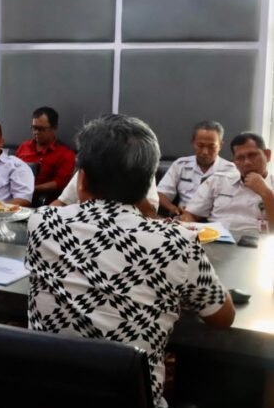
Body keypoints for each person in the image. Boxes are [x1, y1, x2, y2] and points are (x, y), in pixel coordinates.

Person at [25, 114, 234, 408]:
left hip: (48, 397)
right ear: (148, 185)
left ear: (81, 180)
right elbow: (222, 317)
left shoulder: (41, 222)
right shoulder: (178, 242)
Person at [182, 132, 274, 232]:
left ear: (267, 155)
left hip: (257, 240)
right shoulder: (218, 181)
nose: (247, 163)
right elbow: (190, 214)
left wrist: (266, 194)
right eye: (240, 158)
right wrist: (191, 233)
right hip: (215, 238)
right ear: (233, 162)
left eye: (252, 155)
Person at [158, 121, 237, 217]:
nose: (205, 152)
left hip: (214, 220)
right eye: (200, 145)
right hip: (183, 218)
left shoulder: (230, 170)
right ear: (193, 143)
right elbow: (161, 193)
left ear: (220, 145)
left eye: (211, 147)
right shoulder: (181, 165)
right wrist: (173, 209)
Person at [15, 106, 75, 204]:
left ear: (54, 128)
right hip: (16, 193)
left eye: (41, 129)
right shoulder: (24, 147)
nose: (36, 132)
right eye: (34, 128)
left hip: (40, 199)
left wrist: (33, 189)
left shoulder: (65, 154)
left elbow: (60, 183)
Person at [52, 170, 160, 218]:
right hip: (80, 223)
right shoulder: (90, 166)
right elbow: (62, 202)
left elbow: (151, 214)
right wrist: (45, 216)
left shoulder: (142, 172)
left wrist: (133, 187)